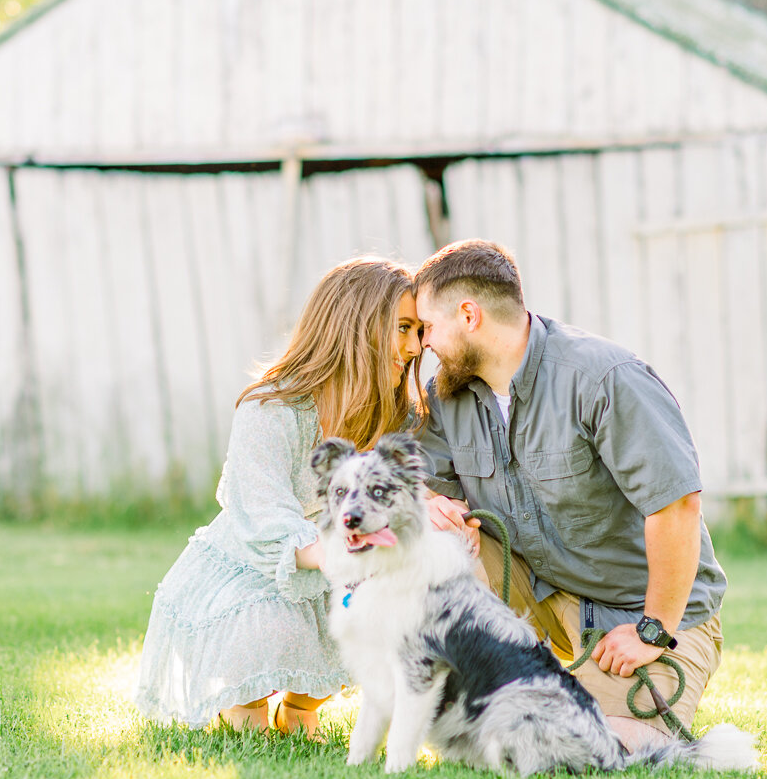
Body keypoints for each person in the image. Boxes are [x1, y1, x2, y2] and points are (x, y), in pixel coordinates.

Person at [412, 240, 727, 751]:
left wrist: (654, 629)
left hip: (636, 611)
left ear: (468, 315)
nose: (423, 342)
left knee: (598, 743)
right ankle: (472, 689)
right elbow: (420, 482)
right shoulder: (449, 396)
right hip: (533, 590)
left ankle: (573, 694)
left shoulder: (602, 377)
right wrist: (428, 502)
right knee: (431, 540)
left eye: (428, 325)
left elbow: (676, 505)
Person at [134, 257, 423, 736]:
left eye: (419, 332)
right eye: (403, 329)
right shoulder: (273, 407)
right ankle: (246, 704)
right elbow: (263, 508)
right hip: (252, 568)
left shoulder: (392, 416)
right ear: (355, 327)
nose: (414, 348)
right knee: (268, 638)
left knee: (373, 617)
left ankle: (300, 706)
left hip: (333, 564)